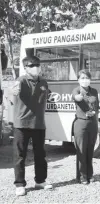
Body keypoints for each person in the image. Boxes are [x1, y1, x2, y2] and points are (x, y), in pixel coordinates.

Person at [11, 56, 52, 196]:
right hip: (21, 124)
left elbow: (46, 94)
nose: (36, 67)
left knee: (40, 154)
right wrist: (13, 92)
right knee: (20, 155)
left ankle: (40, 181)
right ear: (26, 68)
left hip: (39, 124)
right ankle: (20, 184)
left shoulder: (43, 82)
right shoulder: (21, 80)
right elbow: (14, 90)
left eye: (38, 65)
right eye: (32, 65)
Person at [72, 70, 100, 185]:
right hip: (81, 123)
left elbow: (97, 106)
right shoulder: (77, 90)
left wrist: (94, 112)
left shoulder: (94, 91)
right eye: (82, 78)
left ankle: (90, 174)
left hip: (93, 123)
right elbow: (76, 97)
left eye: (87, 77)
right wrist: (78, 97)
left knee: (90, 150)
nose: (85, 80)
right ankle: (82, 176)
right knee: (81, 150)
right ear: (78, 80)